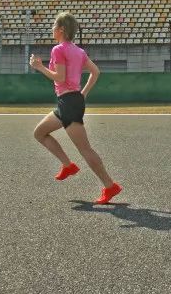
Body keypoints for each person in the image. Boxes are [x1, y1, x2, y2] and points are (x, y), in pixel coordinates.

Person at [29, 12, 122, 205]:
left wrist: (39, 67)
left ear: (61, 29)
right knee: (39, 133)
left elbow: (60, 77)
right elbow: (96, 72)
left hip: (69, 103)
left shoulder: (58, 49)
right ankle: (67, 165)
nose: (52, 29)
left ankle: (110, 185)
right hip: (68, 102)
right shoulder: (79, 51)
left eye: (54, 26)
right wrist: (83, 93)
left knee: (85, 149)